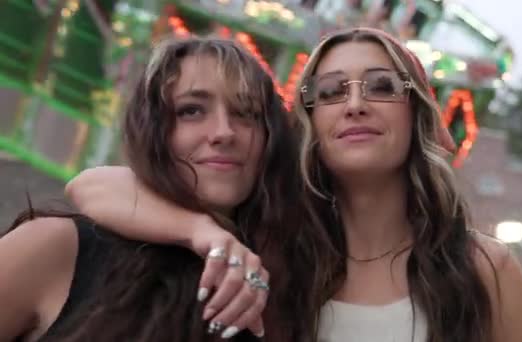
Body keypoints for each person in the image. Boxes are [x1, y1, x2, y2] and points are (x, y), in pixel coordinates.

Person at [66, 28, 522, 341]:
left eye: (382, 86)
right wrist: (204, 233)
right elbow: (91, 185)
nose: (355, 104)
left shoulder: (483, 267)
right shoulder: (271, 248)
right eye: (331, 91)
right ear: (309, 122)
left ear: (417, 113)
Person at [0, 36, 326, 341]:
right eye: (191, 110)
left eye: (246, 113)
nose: (224, 132)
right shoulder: (58, 247)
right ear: (151, 130)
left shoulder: (292, 280)